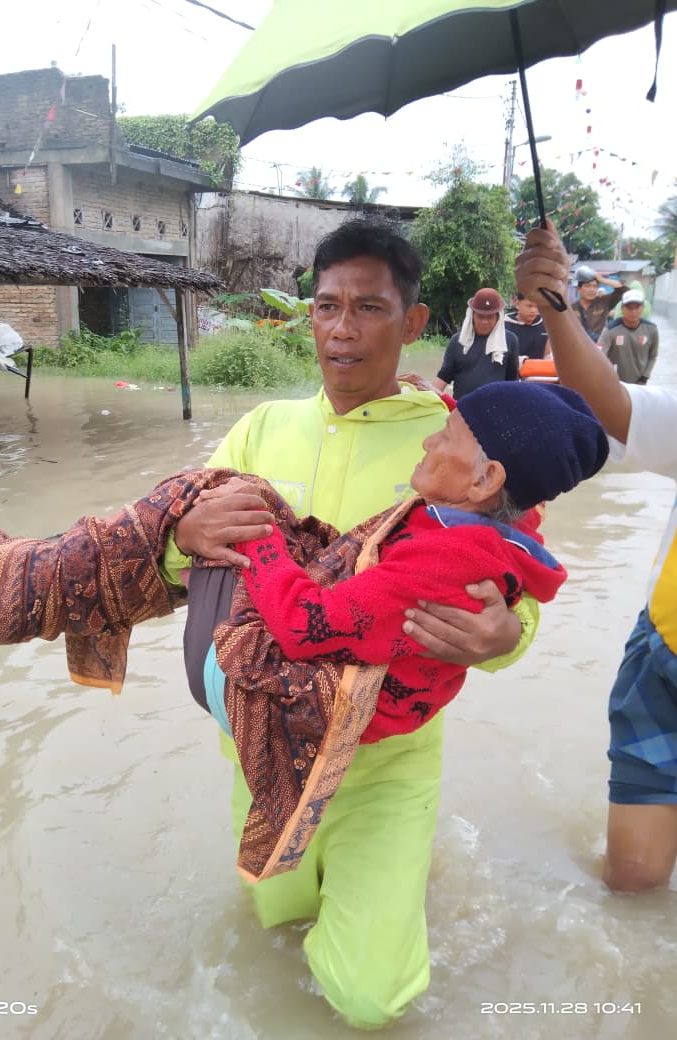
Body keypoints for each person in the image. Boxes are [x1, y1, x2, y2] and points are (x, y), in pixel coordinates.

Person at [165, 219, 537, 1029]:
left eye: (369, 307)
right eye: (327, 306)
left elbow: (520, 587)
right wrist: (181, 536)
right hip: (261, 749)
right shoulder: (260, 430)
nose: (342, 329)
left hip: (387, 762)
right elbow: (174, 559)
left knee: (371, 998)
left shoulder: (457, 443)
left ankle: (391, 880)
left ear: (413, 321)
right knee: (275, 929)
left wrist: (507, 638)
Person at [207, 381, 607, 748]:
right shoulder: (501, 526)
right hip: (375, 707)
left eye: (445, 434)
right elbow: (490, 442)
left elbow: (302, 624)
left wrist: (256, 532)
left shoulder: (446, 558)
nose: (428, 441)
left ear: (485, 480)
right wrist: (439, 401)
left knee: (216, 497)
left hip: (302, 714)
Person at [516, 219, 677, 894]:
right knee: (633, 880)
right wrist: (557, 307)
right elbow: (609, 402)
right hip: (668, 649)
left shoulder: (650, 337)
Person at [433, 287, 520, 399]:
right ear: (472, 315)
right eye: (480, 316)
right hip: (461, 406)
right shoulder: (458, 341)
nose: (484, 322)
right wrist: (428, 396)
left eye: (489, 317)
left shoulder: (510, 341)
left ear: (498, 317)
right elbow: (444, 375)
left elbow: (512, 381)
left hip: (496, 405)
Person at [597, 288, 659, 385]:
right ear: (622, 309)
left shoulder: (651, 330)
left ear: (643, 308)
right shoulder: (610, 330)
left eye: (637, 307)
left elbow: (653, 355)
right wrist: (607, 375)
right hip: (614, 382)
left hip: (639, 383)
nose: (633, 312)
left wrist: (644, 377)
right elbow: (599, 354)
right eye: (629, 307)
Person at [571, 265, 625, 341]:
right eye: (588, 286)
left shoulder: (604, 302)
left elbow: (622, 290)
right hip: (577, 345)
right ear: (579, 289)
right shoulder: (571, 309)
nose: (592, 290)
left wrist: (602, 280)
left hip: (599, 346)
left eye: (595, 286)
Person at [505, 292, 551, 359]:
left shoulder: (545, 325)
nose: (533, 310)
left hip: (540, 365)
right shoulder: (504, 326)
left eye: (537, 306)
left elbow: (547, 354)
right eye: (529, 306)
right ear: (517, 304)